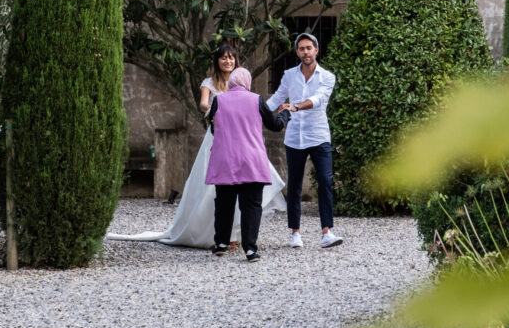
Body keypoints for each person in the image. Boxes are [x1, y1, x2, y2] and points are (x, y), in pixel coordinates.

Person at [106, 44, 286, 248]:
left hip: (242, 140)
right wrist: (219, 108)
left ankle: (233, 235)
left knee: (241, 190)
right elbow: (203, 104)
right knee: (216, 192)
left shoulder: (242, 86)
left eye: (231, 58)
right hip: (220, 138)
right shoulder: (210, 83)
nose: (228, 61)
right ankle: (216, 236)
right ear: (217, 61)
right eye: (223, 58)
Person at [266, 33, 343, 249]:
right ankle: (295, 233)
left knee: (325, 181)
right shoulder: (289, 75)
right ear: (297, 52)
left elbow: (319, 100)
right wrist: (255, 110)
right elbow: (277, 98)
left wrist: (296, 106)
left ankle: (327, 232)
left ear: (316, 50)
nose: (305, 52)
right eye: (301, 49)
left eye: (309, 48)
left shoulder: (327, 77)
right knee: (295, 186)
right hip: (294, 138)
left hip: (319, 136)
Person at [207, 68, 291, 261]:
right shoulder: (257, 100)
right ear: (247, 81)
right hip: (251, 160)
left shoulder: (219, 100)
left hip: (225, 161)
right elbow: (275, 125)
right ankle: (250, 249)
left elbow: (213, 128)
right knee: (252, 205)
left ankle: (221, 243)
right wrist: (285, 114)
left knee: (223, 204)